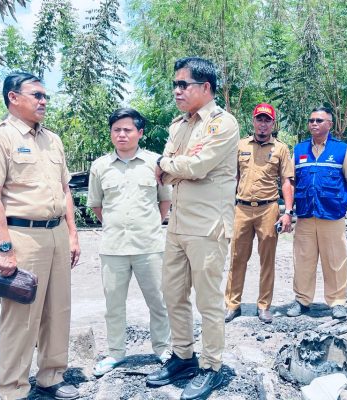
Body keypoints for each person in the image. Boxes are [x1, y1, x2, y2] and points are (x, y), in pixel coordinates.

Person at [0, 72, 81, 400]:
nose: (43, 101)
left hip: (56, 234)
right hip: (20, 235)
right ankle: (12, 389)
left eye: (44, 95)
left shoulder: (53, 139)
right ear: (13, 97)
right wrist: (4, 249)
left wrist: (73, 235)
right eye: (36, 95)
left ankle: (51, 377)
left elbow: (65, 191)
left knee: (58, 310)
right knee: (21, 317)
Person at [146, 57, 239, 400]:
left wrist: (167, 164)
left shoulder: (222, 124)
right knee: (173, 295)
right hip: (179, 225)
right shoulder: (179, 125)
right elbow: (170, 170)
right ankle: (183, 356)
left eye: (183, 84)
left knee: (209, 301)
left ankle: (211, 366)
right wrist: (171, 166)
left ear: (205, 87)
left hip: (207, 226)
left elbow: (197, 166)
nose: (177, 90)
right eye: (175, 84)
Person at [86, 108, 172, 377]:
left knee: (159, 301)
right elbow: (97, 206)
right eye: (116, 130)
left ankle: (163, 348)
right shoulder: (100, 166)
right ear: (111, 133)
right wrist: (116, 224)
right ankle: (115, 353)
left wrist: (148, 225)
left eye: (128, 129)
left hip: (149, 245)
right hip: (113, 247)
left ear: (140, 133)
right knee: (113, 304)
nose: (121, 134)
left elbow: (165, 201)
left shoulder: (154, 163)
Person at [288, 106, 347, 320]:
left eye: (319, 120)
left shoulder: (342, 150)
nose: (314, 124)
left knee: (336, 260)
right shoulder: (299, 150)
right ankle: (302, 300)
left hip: (332, 215)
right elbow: (291, 180)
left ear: (330, 124)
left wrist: (335, 195)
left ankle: (337, 302)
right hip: (306, 215)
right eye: (311, 120)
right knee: (303, 260)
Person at [224, 103, 294, 324]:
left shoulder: (281, 149)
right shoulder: (240, 145)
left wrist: (288, 213)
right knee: (237, 258)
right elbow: (232, 179)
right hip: (241, 209)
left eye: (267, 120)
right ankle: (232, 304)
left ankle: (264, 306)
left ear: (273, 123)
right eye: (259, 119)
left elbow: (287, 182)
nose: (263, 124)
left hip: (268, 209)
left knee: (267, 260)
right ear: (253, 121)